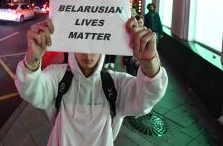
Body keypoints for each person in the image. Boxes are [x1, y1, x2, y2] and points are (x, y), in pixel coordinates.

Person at [15, 18, 168, 146]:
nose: (88, 54)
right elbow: (30, 90)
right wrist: (33, 58)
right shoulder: (57, 77)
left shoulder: (115, 83)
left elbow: (145, 98)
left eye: (94, 46)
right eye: (82, 46)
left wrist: (150, 62)